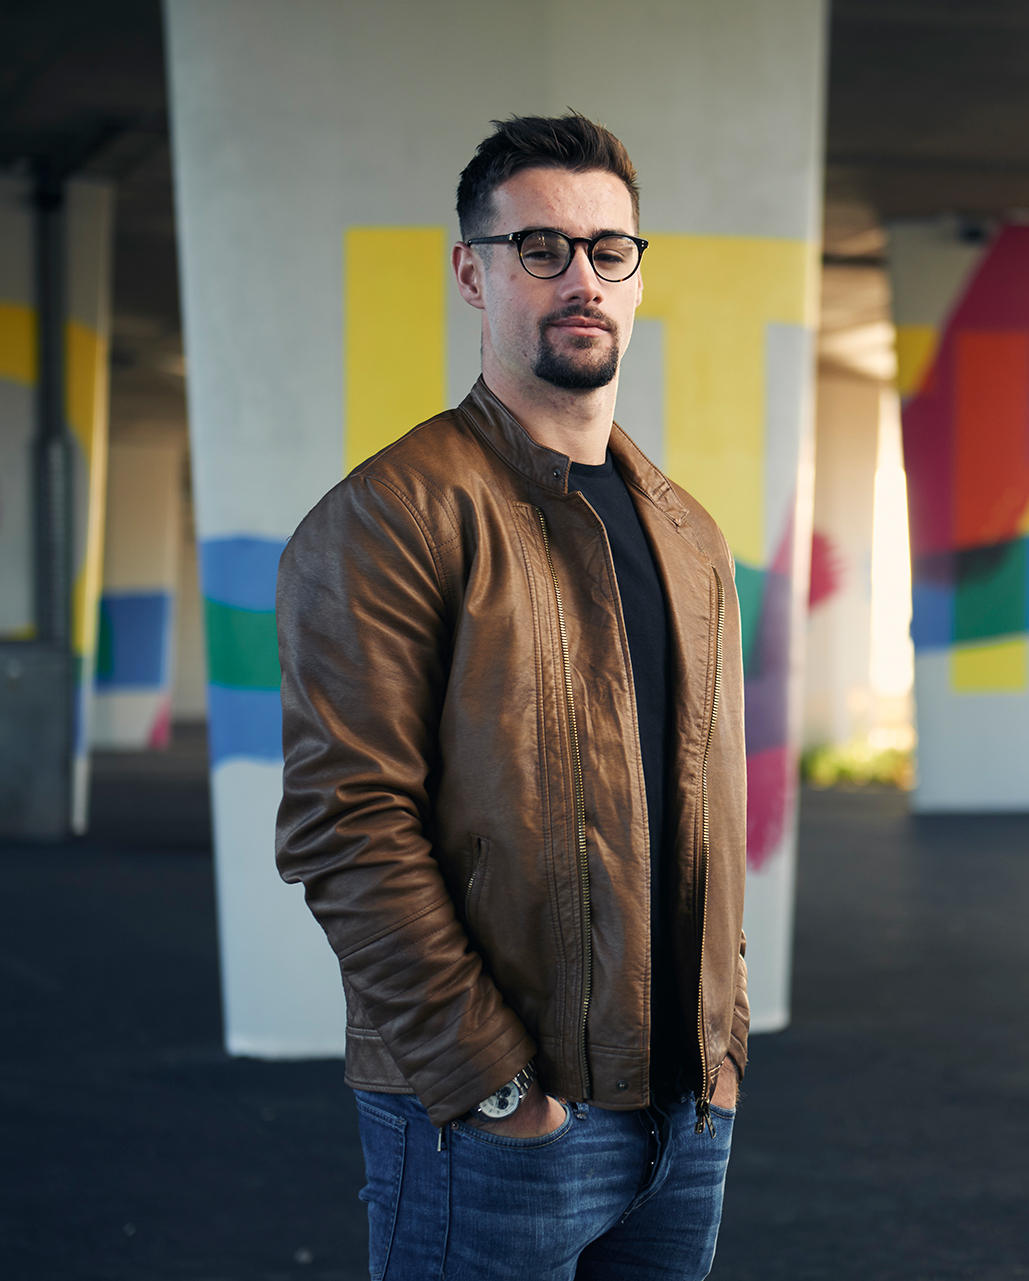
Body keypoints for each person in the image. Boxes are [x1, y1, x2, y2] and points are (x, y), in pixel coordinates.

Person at [275, 112, 748, 1281]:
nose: (580, 277)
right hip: (494, 1123)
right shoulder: (389, 517)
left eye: (608, 250)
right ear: (471, 273)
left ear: (637, 279)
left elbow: (699, 811)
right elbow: (346, 827)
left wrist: (721, 1049)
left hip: (684, 1120)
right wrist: (490, 1082)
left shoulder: (689, 535)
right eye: (539, 248)